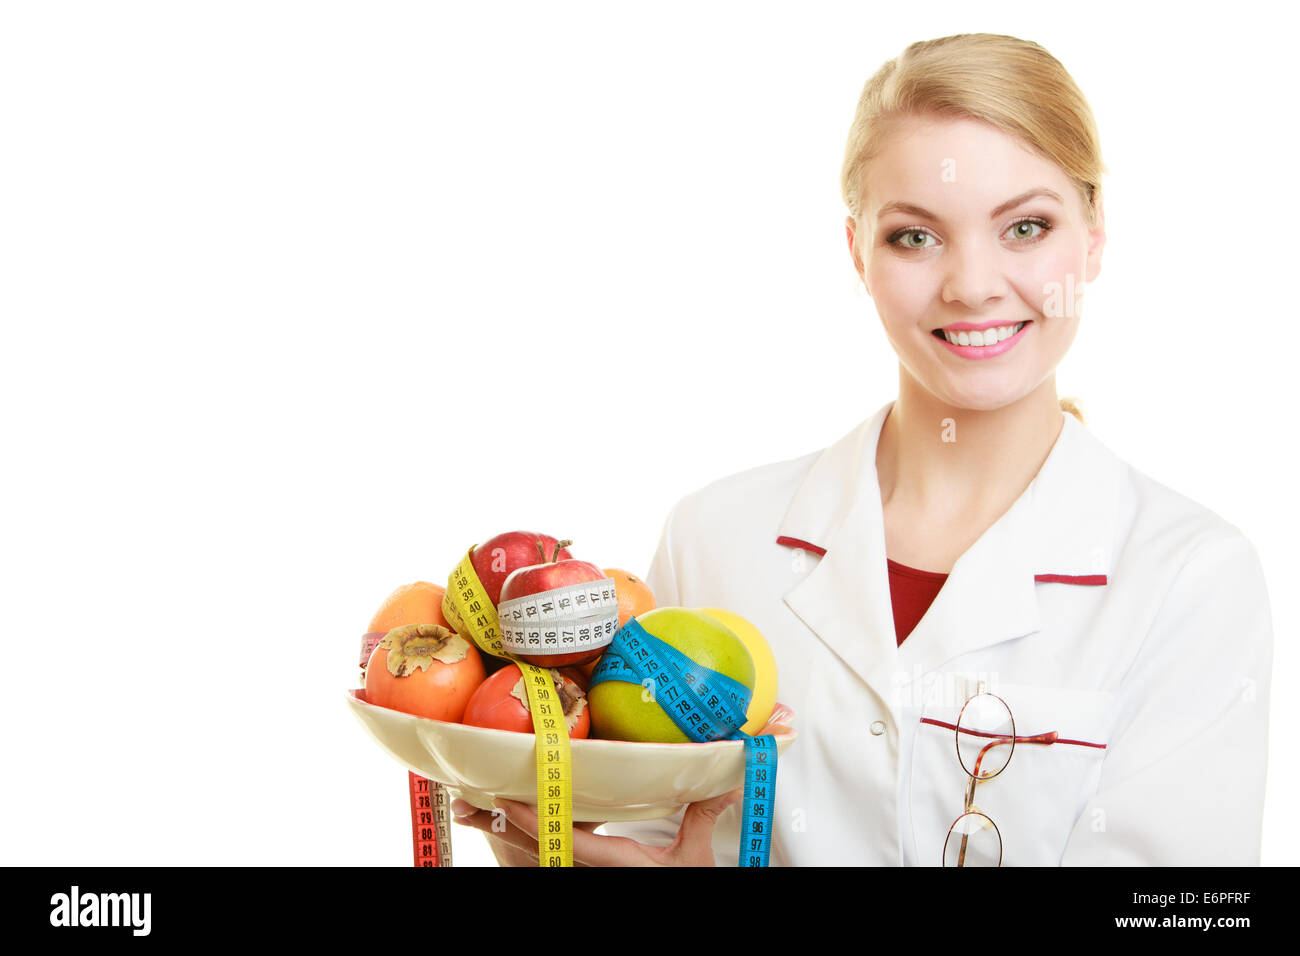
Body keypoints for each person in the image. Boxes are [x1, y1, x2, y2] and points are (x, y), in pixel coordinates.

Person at [452, 32, 1274, 866]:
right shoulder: (714, 539)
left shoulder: (1192, 579)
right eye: (915, 237)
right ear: (856, 251)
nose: (974, 284)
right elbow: (620, 836)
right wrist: (517, 785)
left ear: (1094, 235)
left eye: (1026, 226)